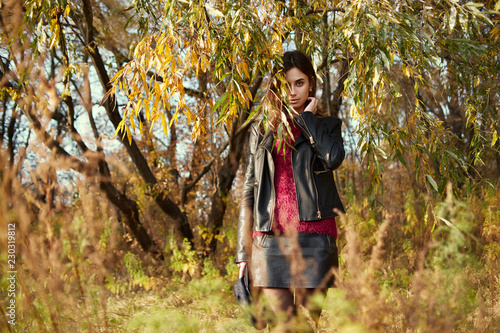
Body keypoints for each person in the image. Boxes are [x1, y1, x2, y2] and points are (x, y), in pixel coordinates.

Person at [236, 50, 345, 332]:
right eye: (286, 85)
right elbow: (249, 189)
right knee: (285, 324)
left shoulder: (327, 126)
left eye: (300, 83)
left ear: (311, 85)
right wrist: (242, 252)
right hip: (268, 239)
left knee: (307, 323)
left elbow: (332, 159)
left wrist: (307, 122)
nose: (293, 92)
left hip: (315, 237)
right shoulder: (261, 130)